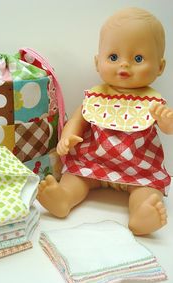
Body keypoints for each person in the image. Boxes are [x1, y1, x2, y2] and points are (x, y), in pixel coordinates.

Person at [37, 7, 173, 235]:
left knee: (148, 190)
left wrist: (166, 121)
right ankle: (63, 198)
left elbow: (168, 129)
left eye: (138, 58)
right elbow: (79, 119)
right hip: (94, 163)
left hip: (139, 169)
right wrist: (67, 137)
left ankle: (142, 213)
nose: (124, 65)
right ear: (97, 62)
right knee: (75, 177)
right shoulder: (95, 96)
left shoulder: (152, 102)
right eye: (113, 57)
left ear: (159, 67)